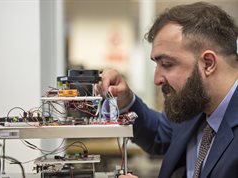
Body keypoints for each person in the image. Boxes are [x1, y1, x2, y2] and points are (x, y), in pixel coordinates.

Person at [98, 2, 238, 178]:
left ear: (208, 63)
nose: (157, 79)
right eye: (156, 65)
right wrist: (126, 101)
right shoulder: (195, 105)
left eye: (167, 64)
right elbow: (158, 133)